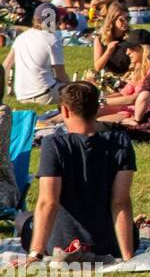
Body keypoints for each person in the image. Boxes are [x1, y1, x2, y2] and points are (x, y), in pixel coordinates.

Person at [18, 81, 136, 264]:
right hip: (110, 243)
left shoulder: (54, 145)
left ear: (64, 111)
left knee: (23, 219)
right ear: (98, 108)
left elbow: (48, 202)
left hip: (61, 243)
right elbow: (120, 202)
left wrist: (35, 254)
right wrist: (128, 256)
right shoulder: (120, 141)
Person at [4, 6, 68, 104]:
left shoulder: (21, 37)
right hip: (44, 94)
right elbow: (61, 76)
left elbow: (6, 66)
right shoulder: (52, 40)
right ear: (56, 21)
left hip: (21, 96)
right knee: (77, 94)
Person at [92, 3, 132, 76]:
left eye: (128, 19)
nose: (126, 22)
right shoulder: (100, 38)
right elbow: (97, 67)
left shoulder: (131, 37)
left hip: (128, 76)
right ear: (113, 20)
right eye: (122, 20)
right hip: (107, 77)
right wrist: (109, 51)